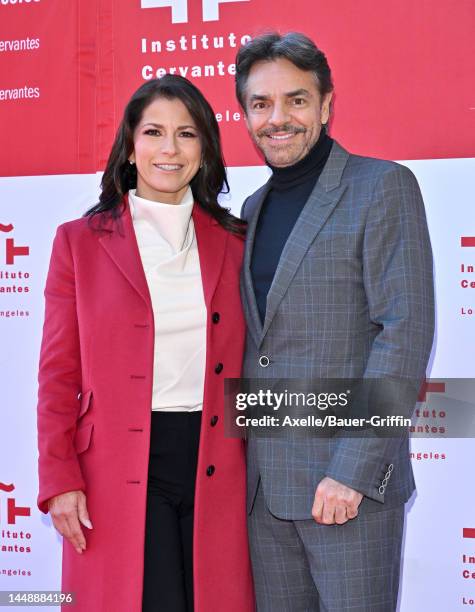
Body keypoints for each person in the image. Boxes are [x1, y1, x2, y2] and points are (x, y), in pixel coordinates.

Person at [36, 75, 254, 612]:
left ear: (204, 150)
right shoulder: (79, 243)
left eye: (186, 134)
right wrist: (59, 477)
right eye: (154, 132)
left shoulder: (236, 240)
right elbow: (58, 373)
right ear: (131, 147)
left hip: (219, 460)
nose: (169, 149)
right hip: (116, 465)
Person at [235, 32, 434, 611]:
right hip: (265, 491)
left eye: (296, 100)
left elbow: (404, 333)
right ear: (247, 114)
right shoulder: (251, 210)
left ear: (325, 105)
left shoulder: (382, 187)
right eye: (261, 104)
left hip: (345, 488)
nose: (279, 118)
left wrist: (352, 468)